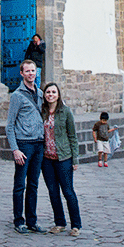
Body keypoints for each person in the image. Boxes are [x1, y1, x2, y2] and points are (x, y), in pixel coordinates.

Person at [5, 59, 45, 234]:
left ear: (36, 72)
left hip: (38, 145)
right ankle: (18, 221)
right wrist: (15, 149)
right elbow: (9, 125)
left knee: (34, 184)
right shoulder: (17, 96)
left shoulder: (41, 93)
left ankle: (32, 220)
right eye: (27, 71)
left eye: (33, 71)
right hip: (24, 145)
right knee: (20, 184)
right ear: (21, 73)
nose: (31, 74)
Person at [40, 83, 81, 236]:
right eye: (48, 92)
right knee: (53, 192)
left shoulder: (66, 112)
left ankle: (76, 225)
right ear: (44, 95)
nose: (50, 94)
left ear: (58, 94)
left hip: (64, 158)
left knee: (68, 191)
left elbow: (73, 137)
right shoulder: (42, 111)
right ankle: (60, 223)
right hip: (47, 159)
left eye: (53, 92)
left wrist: (75, 160)